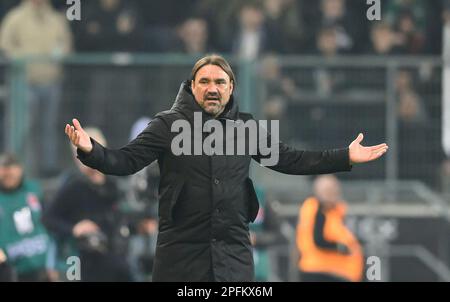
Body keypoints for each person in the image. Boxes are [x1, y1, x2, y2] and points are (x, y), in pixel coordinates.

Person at [64, 54, 388, 282]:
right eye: (204, 81)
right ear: (192, 86)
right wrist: (91, 150)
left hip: (233, 254)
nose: (212, 88)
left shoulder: (246, 129)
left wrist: (344, 156)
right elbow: (127, 160)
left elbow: (292, 160)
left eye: (220, 81)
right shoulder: (167, 125)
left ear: (231, 87)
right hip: (180, 255)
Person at [42, 128, 132, 282]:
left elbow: (120, 220)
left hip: (117, 261)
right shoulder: (73, 186)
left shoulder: (113, 184)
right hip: (84, 263)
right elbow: (49, 219)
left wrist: (139, 226)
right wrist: (74, 229)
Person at [296, 175, 364, 282]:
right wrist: (342, 247)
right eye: (329, 190)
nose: (333, 194)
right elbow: (319, 240)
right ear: (318, 192)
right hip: (322, 271)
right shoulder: (316, 209)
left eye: (335, 190)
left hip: (337, 272)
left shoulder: (335, 211)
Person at [0, 153, 52, 281]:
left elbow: (51, 220)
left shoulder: (34, 189)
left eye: (12, 168)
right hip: (11, 270)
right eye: (4, 169)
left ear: (20, 169)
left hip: (44, 266)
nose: (9, 173)